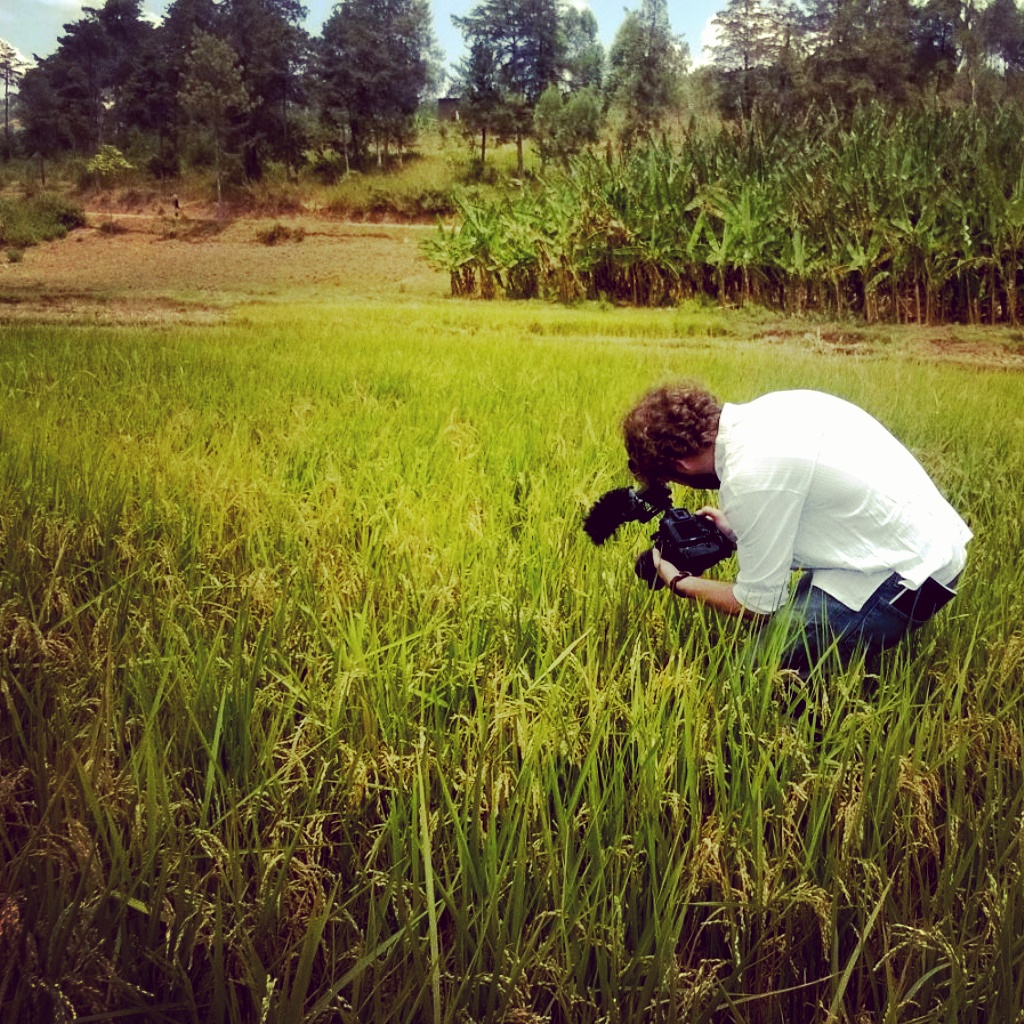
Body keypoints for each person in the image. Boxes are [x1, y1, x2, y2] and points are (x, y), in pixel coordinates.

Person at [621, 382, 972, 677]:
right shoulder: (772, 409)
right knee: (790, 637)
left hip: (904, 577)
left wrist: (679, 581)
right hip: (922, 543)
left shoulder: (750, 477)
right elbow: (823, 504)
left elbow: (759, 605)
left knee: (752, 680)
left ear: (680, 465)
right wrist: (739, 531)